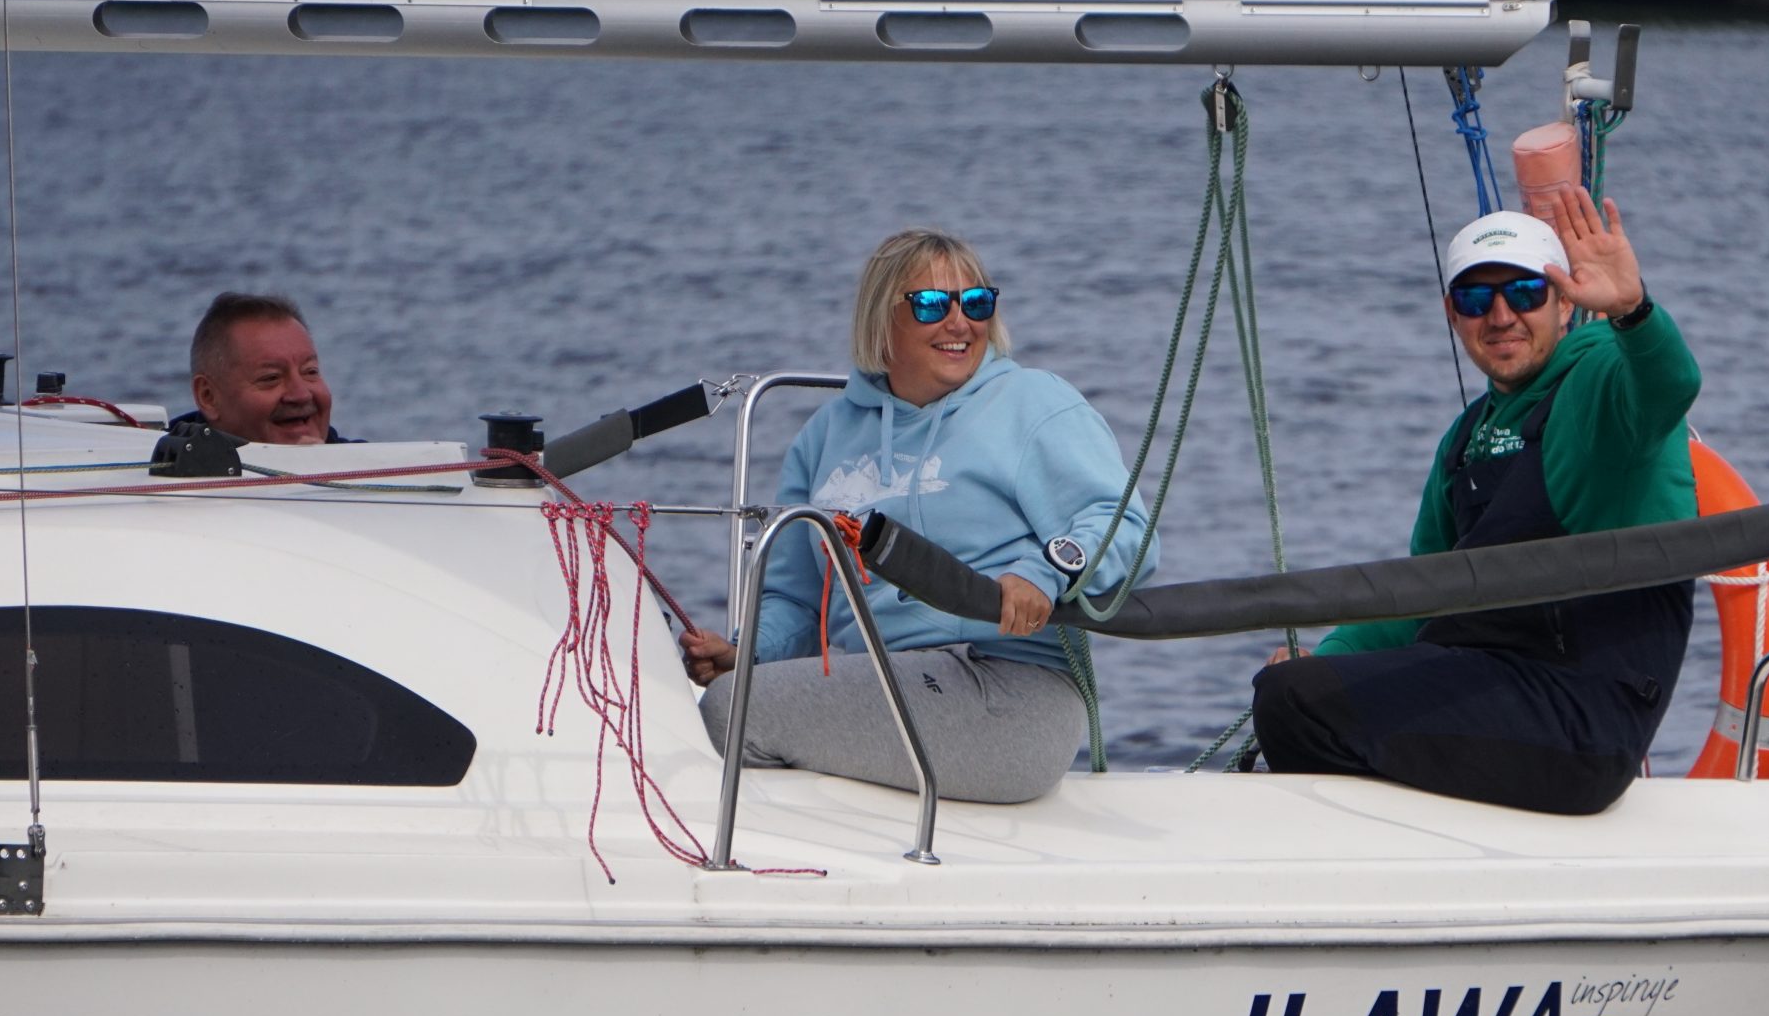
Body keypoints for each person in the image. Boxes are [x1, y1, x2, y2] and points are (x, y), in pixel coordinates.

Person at [1249, 188, 1700, 814]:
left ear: (1564, 303)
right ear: (1451, 314)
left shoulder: (1598, 378)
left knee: (1293, 704)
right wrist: (1325, 658)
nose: (1500, 316)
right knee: (1288, 686)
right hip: (1486, 685)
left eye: (1523, 293)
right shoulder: (1465, 438)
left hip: (1582, 721)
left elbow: (1671, 385)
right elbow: (1420, 595)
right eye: (1473, 297)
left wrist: (1632, 311)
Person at [683, 228, 1156, 804]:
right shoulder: (824, 436)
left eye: (976, 302)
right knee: (716, 698)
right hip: (883, 683)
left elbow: (1121, 526)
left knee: (729, 712)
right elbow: (798, 600)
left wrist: (1043, 572)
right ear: (883, 322)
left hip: (1007, 689)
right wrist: (747, 651)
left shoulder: (1035, 405)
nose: (960, 322)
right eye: (932, 304)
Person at [172, 291, 351, 444]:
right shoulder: (157, 474)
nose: (301, 394)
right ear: (208, 397)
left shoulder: (368, 472)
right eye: (271, 378)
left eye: (310, 372)